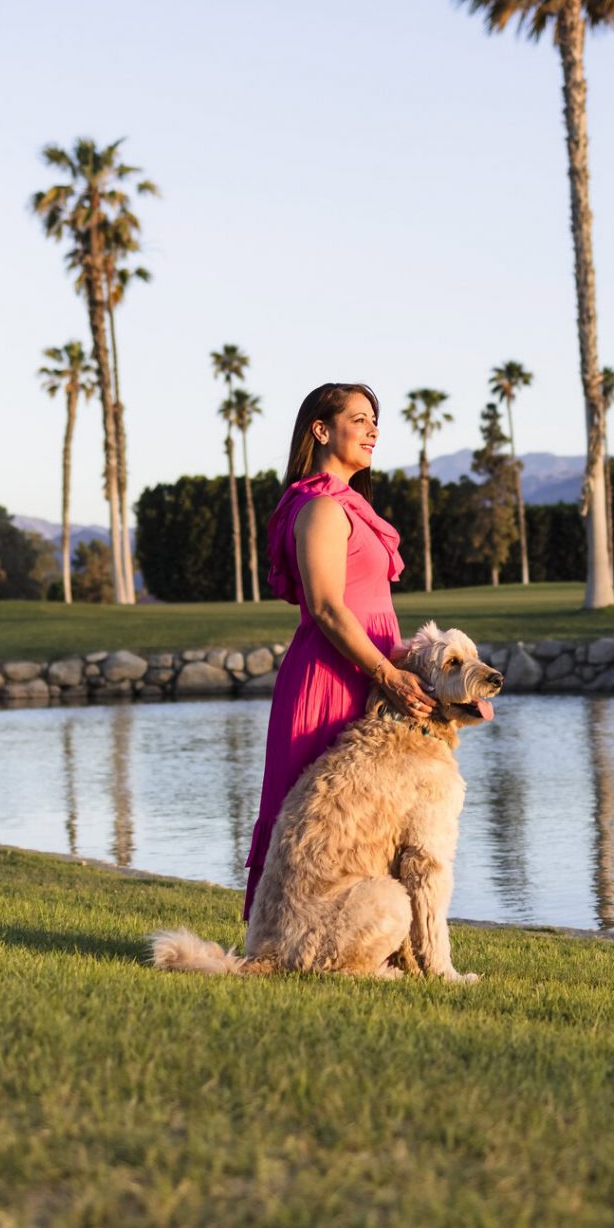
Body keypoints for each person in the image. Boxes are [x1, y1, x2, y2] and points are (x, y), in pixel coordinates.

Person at [244, 382, 433, 916]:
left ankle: (368, 934)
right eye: (360, 419)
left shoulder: (349, 504)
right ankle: (287, 932)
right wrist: (389, 675)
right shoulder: (321, 508)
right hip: (331, 677)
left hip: (368, 673)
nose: (374, 429)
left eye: (376, 420)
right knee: (314, 819)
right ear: (321, 430)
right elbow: (327, 608)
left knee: (367, 813)